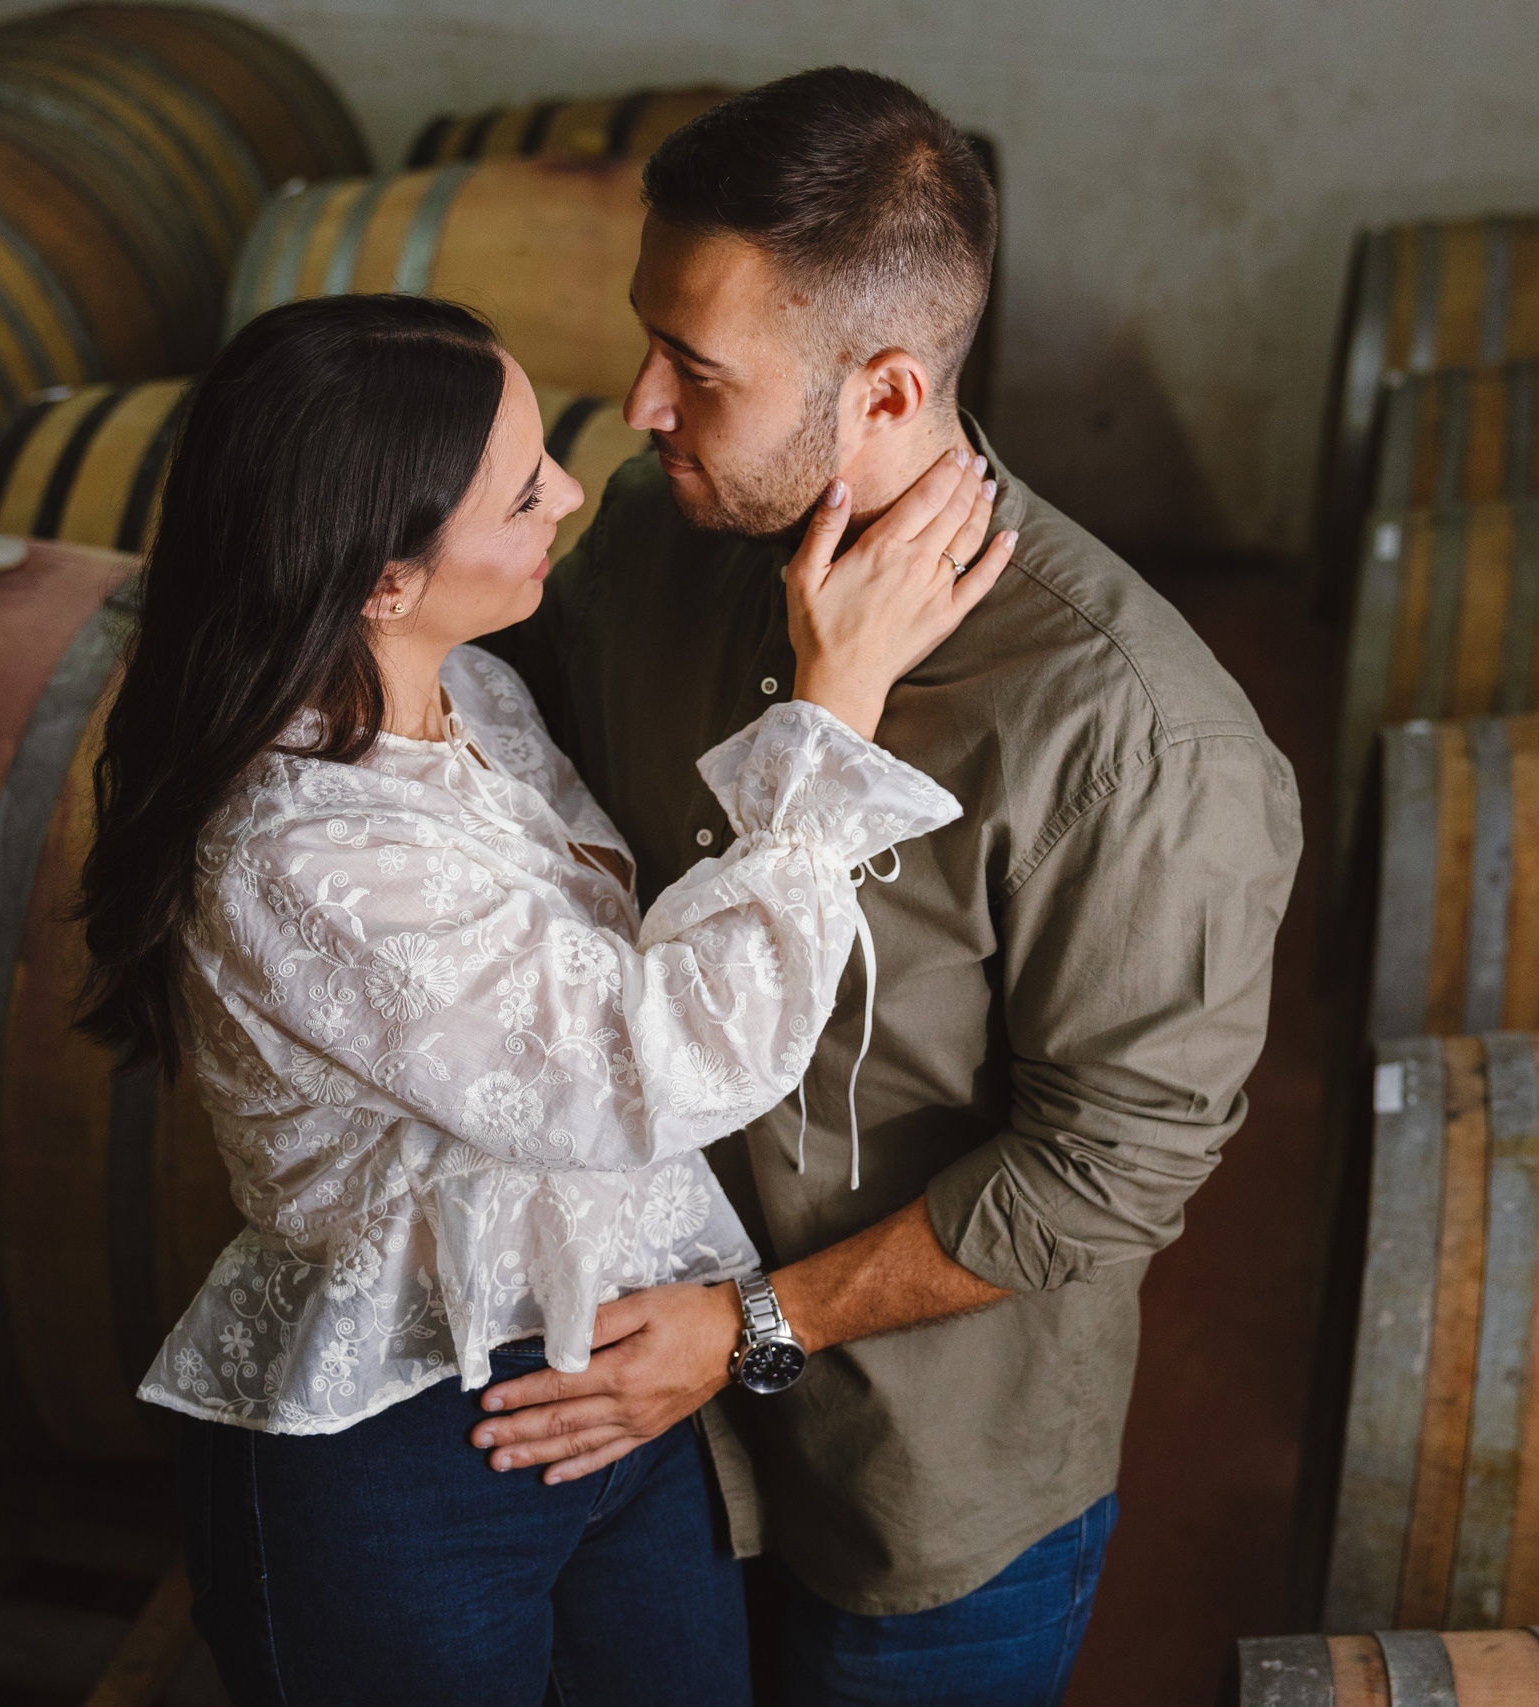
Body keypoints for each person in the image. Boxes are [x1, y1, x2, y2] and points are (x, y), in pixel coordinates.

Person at [476, 69, 1305, 1705]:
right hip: (629, 1442)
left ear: (885, 393)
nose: (638, 408)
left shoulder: (1136, 738)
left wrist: (753, 1325)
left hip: (917, 1498)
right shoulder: (658, 540)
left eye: (695, 370)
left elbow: (1110, 1169)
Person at [71, 291, 1013, 1707]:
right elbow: (649, 1065)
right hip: (410, 1448)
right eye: (524, 492)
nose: (575, 493)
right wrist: (838, 701)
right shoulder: (303, 848)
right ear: (383, 581)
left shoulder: (477, 696)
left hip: (622, 1380)